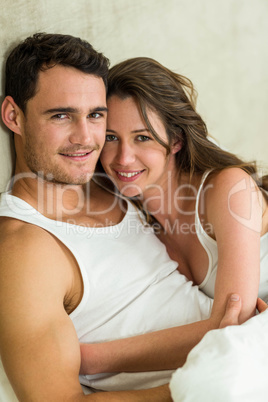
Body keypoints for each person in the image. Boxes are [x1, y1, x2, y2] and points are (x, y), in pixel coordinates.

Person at [0, 33, 243, 401]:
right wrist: (194, 384)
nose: (86, 139)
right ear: (13, 116)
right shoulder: (23, 250)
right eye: (62, 115)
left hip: (245, 343)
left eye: (96, 115)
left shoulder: (113, 179)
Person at [81, 56, 268, 374]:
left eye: (143, 137)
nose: (123, 158)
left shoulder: (227, 189)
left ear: (177, 139)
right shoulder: (133, 219)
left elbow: (231, 326)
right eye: (111, 138)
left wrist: (88, 359)